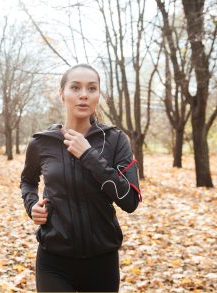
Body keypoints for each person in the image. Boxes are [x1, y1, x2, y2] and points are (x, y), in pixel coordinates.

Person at [20, 64, 142, 292]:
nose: (84, 94)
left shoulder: (115, 140)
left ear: (98, 95)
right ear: (62, 94)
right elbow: (28, 181)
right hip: (53, 261)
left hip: (102, 262)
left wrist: (88, 155)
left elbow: (130, 201)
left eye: (92, 88)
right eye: (75, 87)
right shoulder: (41, 142)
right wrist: (31, 205)